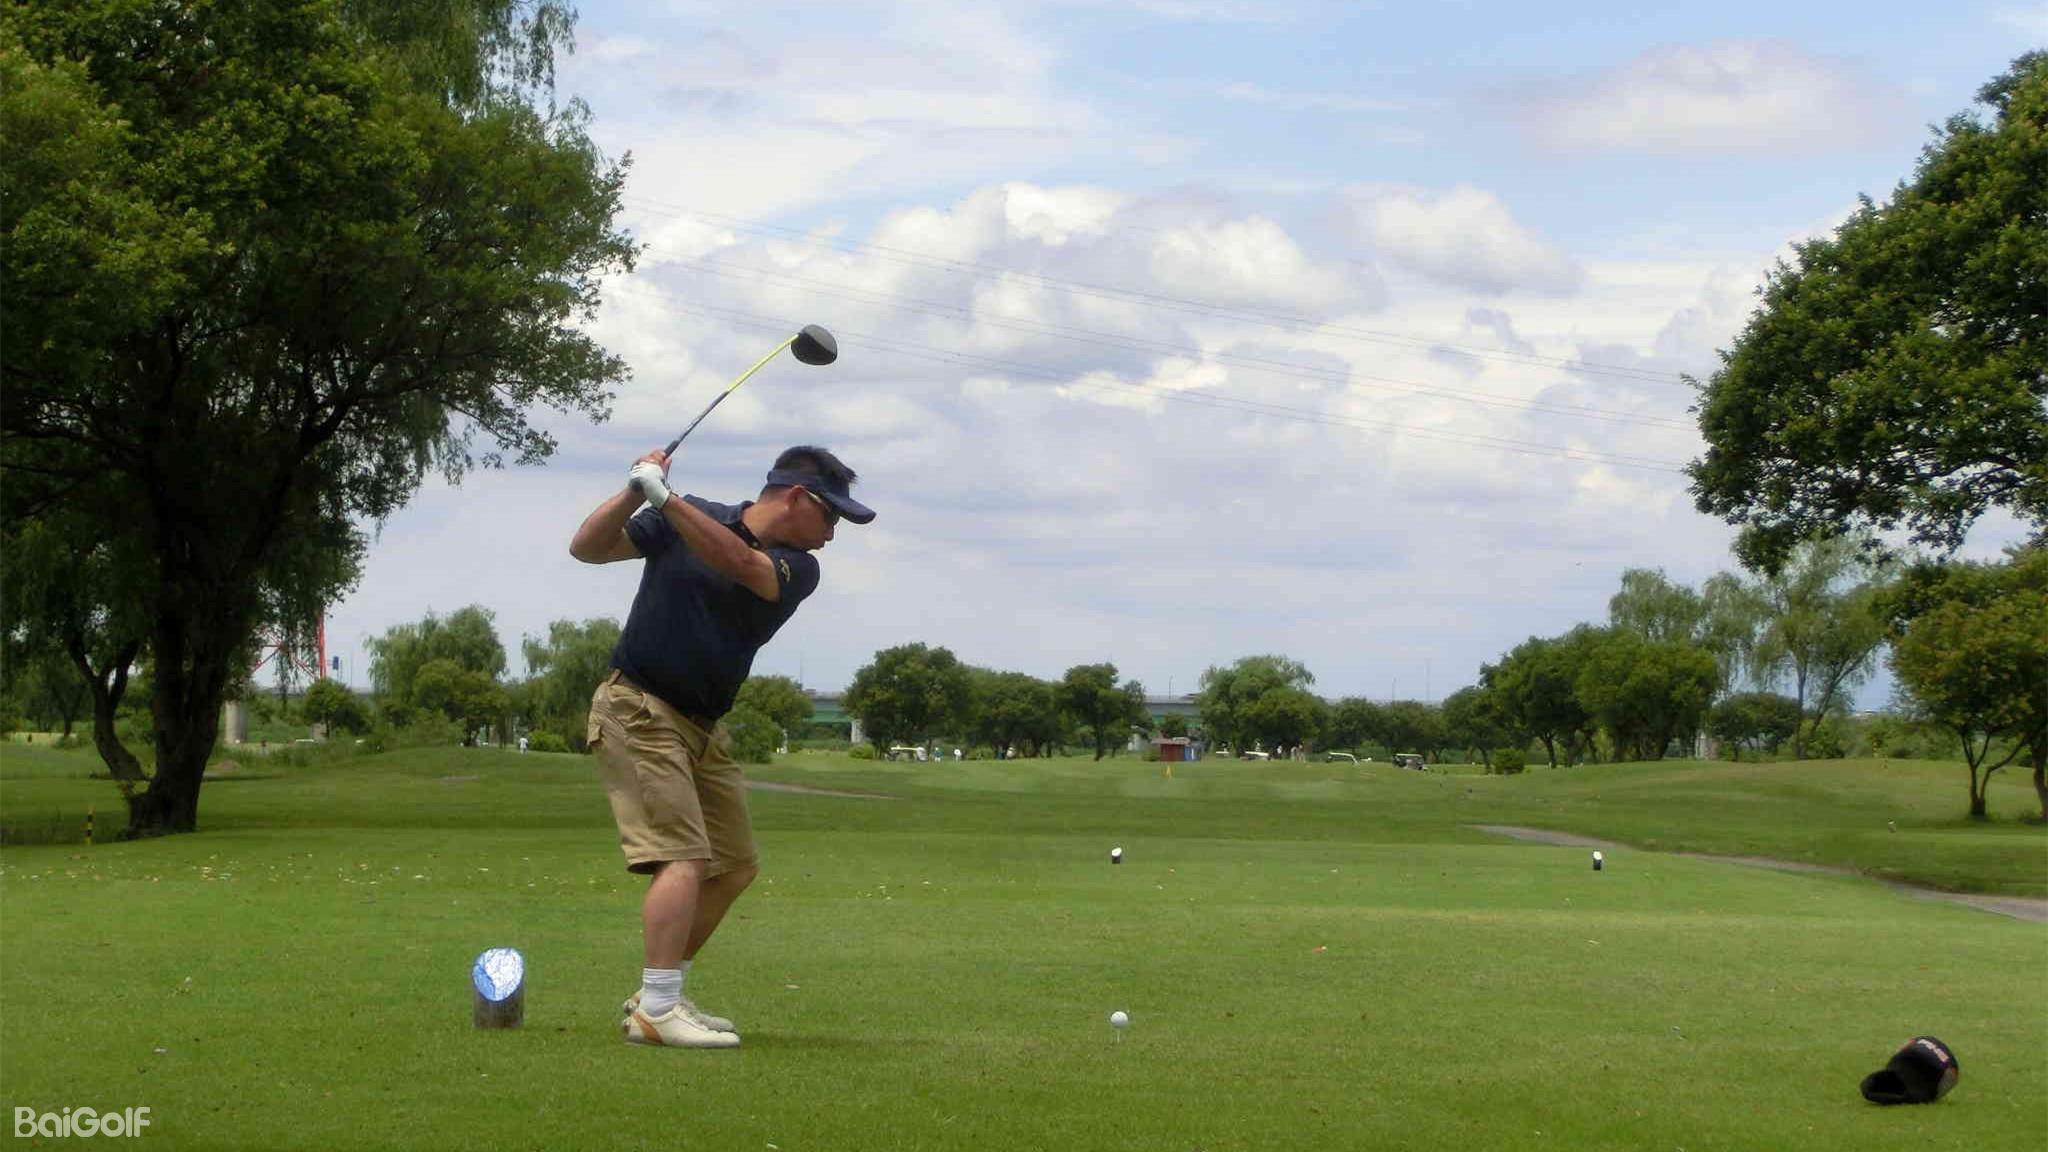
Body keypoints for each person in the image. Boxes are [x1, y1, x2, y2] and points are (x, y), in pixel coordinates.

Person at [569, 444, 874, 1050]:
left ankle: (660, 995)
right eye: (831, 515)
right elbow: (588, 548)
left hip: (704, 726)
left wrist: (664, 498)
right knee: (683, 856)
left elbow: (738, 561)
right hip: (638, 705)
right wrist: (635, 489)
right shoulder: (686, 514)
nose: (833, 534)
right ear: (797, 498)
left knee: (733, 865)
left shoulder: (797, 567)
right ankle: (657, 1010)